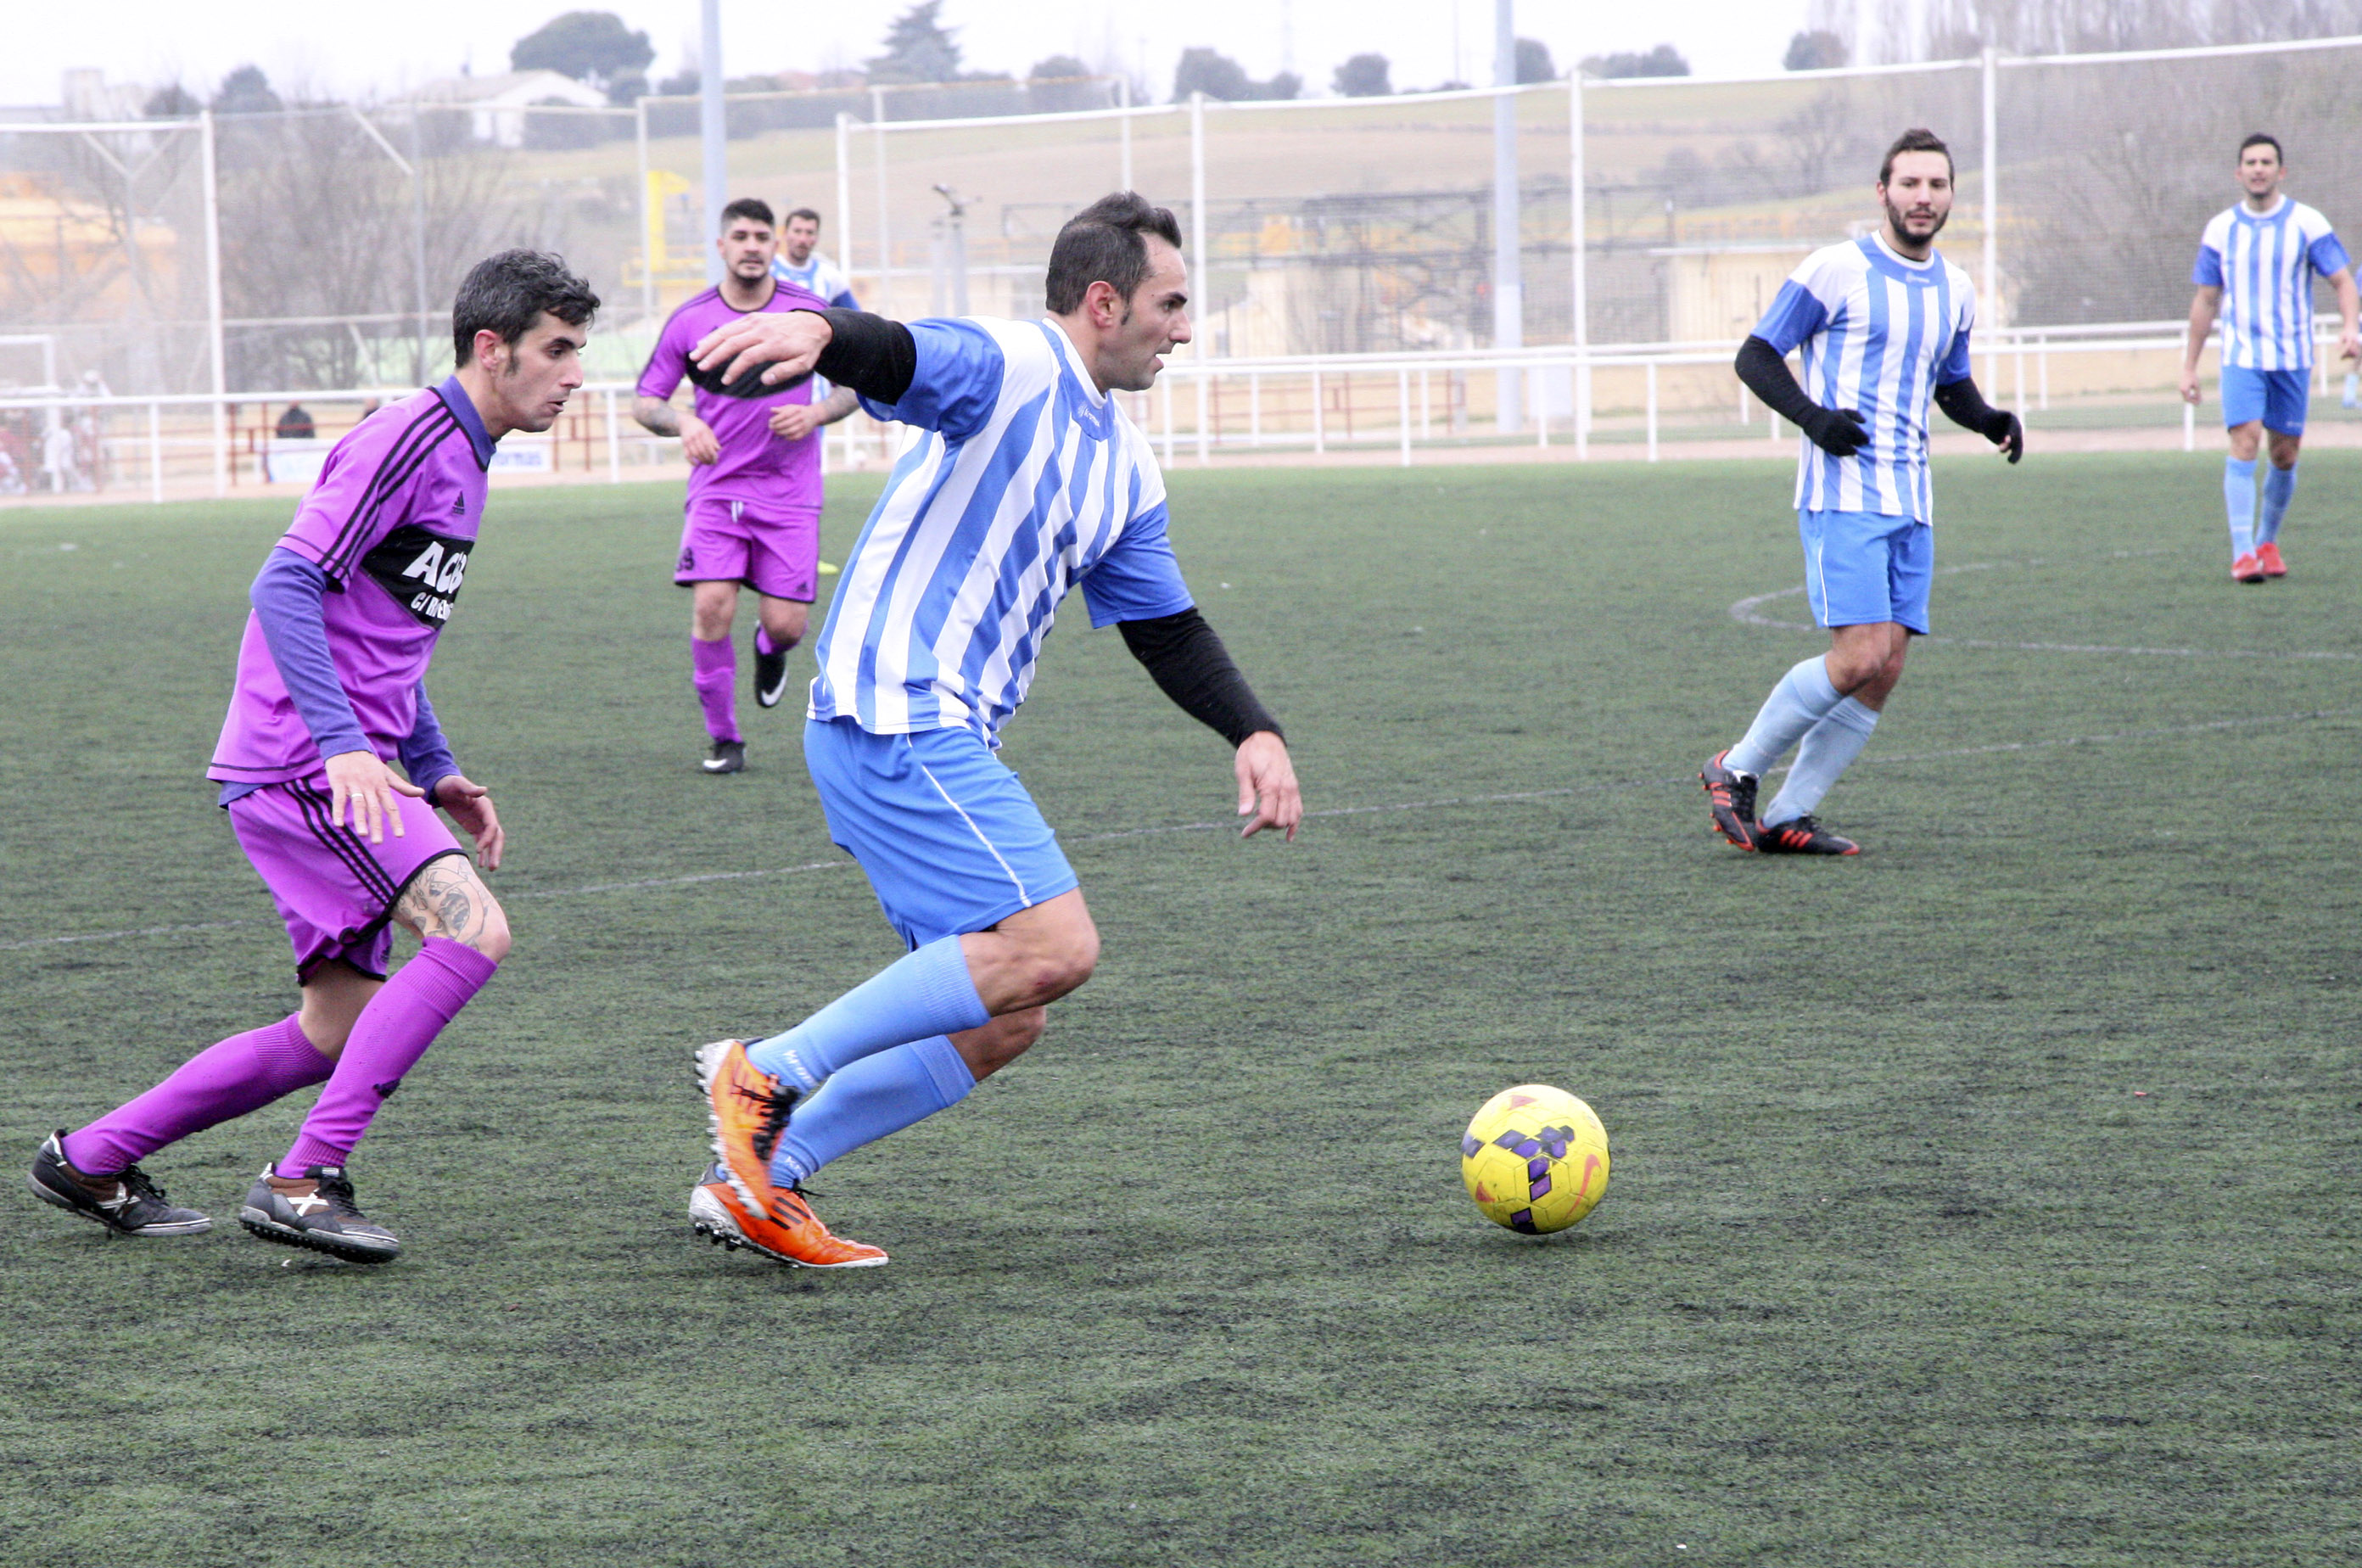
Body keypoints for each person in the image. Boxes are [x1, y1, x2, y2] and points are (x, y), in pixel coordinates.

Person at [680, 190, 1303, 1268]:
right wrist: (826, 332)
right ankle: (765, 1070)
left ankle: (758, 1179)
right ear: (1105, 303)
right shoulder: (1016, 365)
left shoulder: (1124, 465)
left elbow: (1166, 628)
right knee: (1057, 946)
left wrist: (1252, 729)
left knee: (1005, 1014)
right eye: (1173, 302)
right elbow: (902, 356)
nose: (1187, 328)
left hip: (922, 732)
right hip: (899, 710)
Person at [27, 250, 599, 1263]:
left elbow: (387, 634)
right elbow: (284, 585)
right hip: (304, 760)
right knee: (471, 933)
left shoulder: (467, 455)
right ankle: (303, 1180)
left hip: (330, 761)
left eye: (578, 352)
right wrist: (343, 747)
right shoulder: (410, 434)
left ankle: (92, 1157)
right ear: (490, 347)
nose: (573, 373)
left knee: (331, 1031)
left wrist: (435, 764)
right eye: (557, 350)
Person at [1701, 128, 2023, 858]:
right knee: (1856, 658)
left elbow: (1950, 383)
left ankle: (1790, 812)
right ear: (1883, 191)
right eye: (1909, 184)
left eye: (1936, 185)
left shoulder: (1956, 287)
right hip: (1844, 494)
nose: (1923, 197)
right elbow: (1755, 355)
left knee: (1887, 670)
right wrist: (1813, 419)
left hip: (1914, 502)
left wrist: (1990, 419)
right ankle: (1734, 768)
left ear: (1950, 195)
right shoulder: (1836, 269)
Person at [635, 198, 860, 775]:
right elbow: (646, 402)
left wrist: (814, 415)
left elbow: (853, 387)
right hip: (717, 488)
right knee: (712, 608)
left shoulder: (807, 315)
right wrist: (685, 422)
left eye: (764, 235)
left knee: (787, 627)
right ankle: (725, 741)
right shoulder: (690, 319)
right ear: (722, 247)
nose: (754, 245)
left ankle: (769, 650)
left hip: (789, 490)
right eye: (742, 236)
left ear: (776, 244)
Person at [2178, 133, 2359, 583]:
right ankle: (2242, 554)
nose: (2258, 169)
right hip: (2242, 355)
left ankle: (2266, 542)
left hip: (2293, 356)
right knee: (2245, 439)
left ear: (2281, 171)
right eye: (2250, 162)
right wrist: (2189, 365)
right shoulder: (2221, 230)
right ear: (2239, 173)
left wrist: (2351, 328)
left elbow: (2342, 281)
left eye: (2267, 162)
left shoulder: (2307, 223)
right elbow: (2205, 300)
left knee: (2284, 454)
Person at [770, 207, 859, 308]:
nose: (803, 239)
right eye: (797, 231)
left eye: (810, 233)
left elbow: (855, 318)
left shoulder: (831, 277)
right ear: (785, 234)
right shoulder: (768, 270)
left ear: (817, 237)